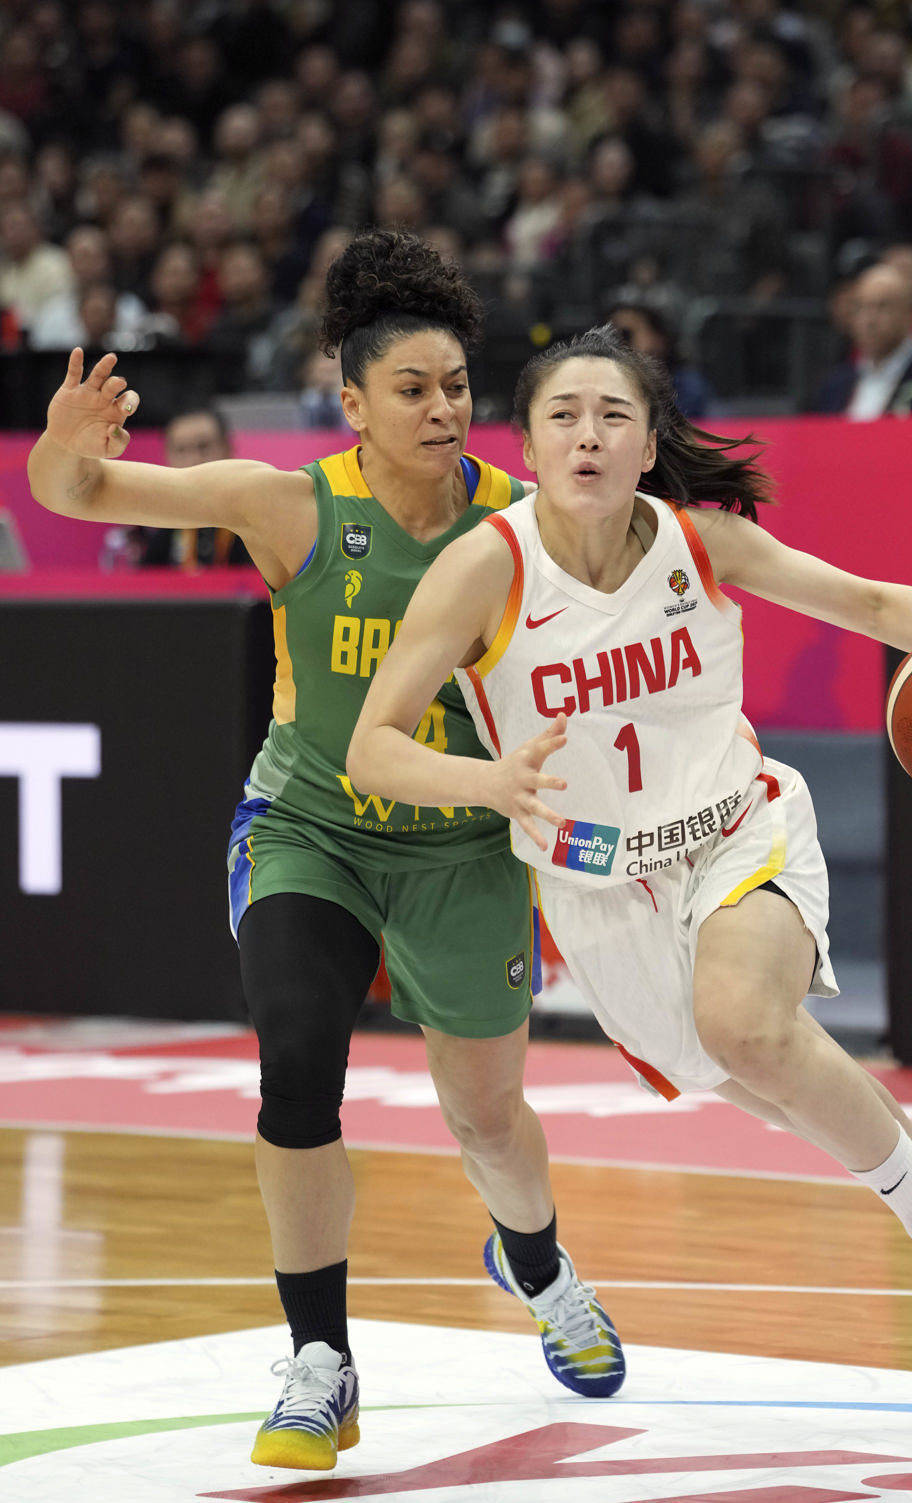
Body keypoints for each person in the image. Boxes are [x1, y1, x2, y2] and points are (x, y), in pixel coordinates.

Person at [348, 323, 912, 1433]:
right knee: (832, 1106)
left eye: (614, 416)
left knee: (745, 1022)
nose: (588, 436)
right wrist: (488, 782)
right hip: (600, 894)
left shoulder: (702, 545)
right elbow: (374, 748)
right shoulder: (485, 567)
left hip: (737, 828)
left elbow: (876, 606)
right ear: (528, 448)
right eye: (563, 417)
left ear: (649, 446)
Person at [26, 231, 625, 1474]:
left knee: (487, 1119)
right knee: (297, 1062)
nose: (442, 408)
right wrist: (63, 442)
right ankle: (321, 1359)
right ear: (350, 404)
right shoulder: (289, 504)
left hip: (466, 843)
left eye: (456, 387)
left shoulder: (524, 523)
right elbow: (71, 495)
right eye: (411, 389)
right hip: (313, 827)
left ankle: (537, 1264)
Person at [126, 408, 255, 569]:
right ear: (167, 456)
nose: (194, 460)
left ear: (228, 448)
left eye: (204, 447)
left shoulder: (256, 517)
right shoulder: (159, 524)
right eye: (181, 450)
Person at [812, 263, 912, 418]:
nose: (869, 320)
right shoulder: (835, 385)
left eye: (882, 307)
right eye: (860, 307)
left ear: (909, 313)